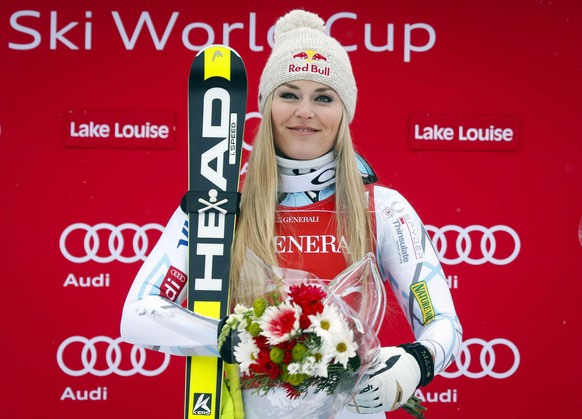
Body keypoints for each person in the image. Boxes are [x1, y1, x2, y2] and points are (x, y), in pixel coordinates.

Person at [121, 9, 462, 419]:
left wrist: (414, 364)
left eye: (323, 97)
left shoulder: (383, 208)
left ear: (344, 113)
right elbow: (138, 314)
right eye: (289, 94)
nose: (305, 111)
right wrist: (232, 338)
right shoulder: (221, 206)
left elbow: (443, 322)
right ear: (266, 107)